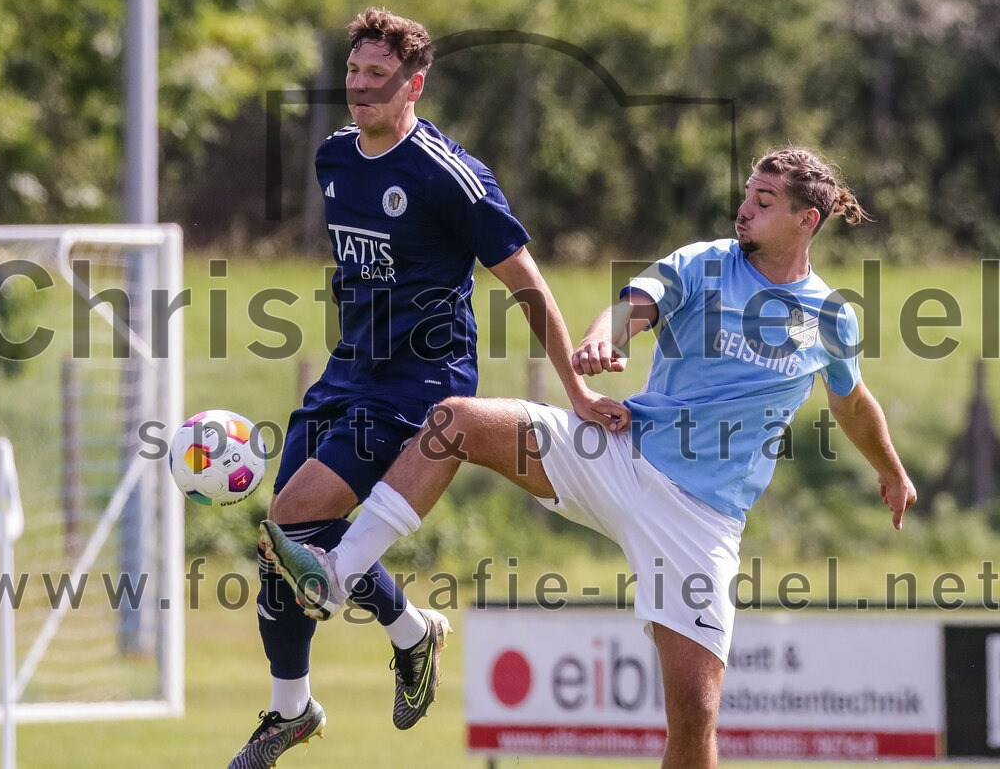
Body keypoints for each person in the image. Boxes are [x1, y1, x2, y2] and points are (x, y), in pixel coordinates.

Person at [260, 147, 918, 768]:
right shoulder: (705, 261)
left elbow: (853, 404)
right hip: (618, 456)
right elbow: (632, 307)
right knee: (455, 420)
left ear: (808, 220)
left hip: (699, 522)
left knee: (695, 716)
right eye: (746, 195)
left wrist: (889, 469)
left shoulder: (830, 318)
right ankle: (338, 574)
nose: (744, 209)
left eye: (764, 201)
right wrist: (601, 342)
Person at [230, 8, 626, 768]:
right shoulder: (334, 157)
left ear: (414, 83)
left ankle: (317, 698)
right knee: (285, 548)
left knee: (292, 520)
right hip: (349, 369)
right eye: (352, 73)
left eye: (378, 77)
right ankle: (362, 665)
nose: (360, 89)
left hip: (420, 382)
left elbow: (529, 285)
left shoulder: (453, 178)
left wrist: (574, 390)